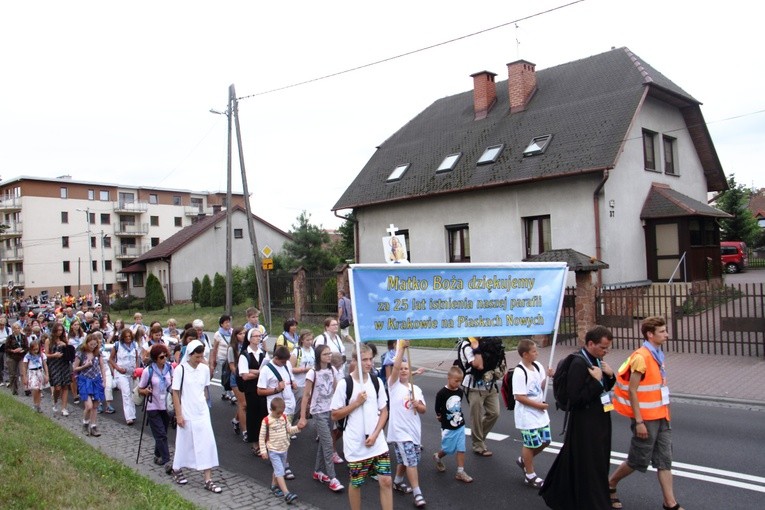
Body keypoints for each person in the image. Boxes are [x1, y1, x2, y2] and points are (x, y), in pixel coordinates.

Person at [609, 317, 684, 510]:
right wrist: (639, 421)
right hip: (646, 419)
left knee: (664, 460)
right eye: (662, 331)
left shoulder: (657, 353)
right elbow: (632, 390)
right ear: (650, 334)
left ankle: (670, 503)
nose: (666, 334)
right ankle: (610, 484)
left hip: (662, 416)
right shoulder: (641, 357)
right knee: (637, 460)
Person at [539, 326, 616, 510]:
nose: (606, 351)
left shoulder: (596, 360)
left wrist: (610, 376)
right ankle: (592, 502)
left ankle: (565, 495)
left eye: (607, 348)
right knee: (589, 461)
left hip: (599, 417)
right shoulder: (579, 364)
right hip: (585, 422)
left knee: (591, 459)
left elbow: (605, 387)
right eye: (603, 348)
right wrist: (597, 382)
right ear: (590, 343)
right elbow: (576, 398)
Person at [331, 344, 392, 510]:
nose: (369, 363)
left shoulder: (376, 381)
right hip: (356, 444)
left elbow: (384, 412)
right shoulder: (345, 384)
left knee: (386, 481)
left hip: (377, 441)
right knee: (356, 483)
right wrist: (356, 403)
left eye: (371, 359)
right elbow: (335, 415)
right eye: (364, 359)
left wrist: (376, 434)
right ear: (355, 360)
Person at [171, 339, 222, 493]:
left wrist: (205, 403)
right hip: (187, 410)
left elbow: (205, 389)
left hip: (201, 411)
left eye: (201, 357)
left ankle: (208, 479)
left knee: (207, 442)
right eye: (196, 357)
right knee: (184, 441)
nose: (199, 360)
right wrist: (179, 414)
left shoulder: (204, 369)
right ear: (190, 355)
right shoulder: (181, 369)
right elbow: (176, 392)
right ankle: (177, 468)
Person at [298, 343, 345, 492]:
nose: (329, 356)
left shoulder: (332, 370)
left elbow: (336, 389)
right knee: (327, 443)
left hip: (330, 410)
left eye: (330, 353)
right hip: (318, 412)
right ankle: (332, 478)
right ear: (319, 356)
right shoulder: (312, 372)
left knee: (324, 442)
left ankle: (318, 471)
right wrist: (302, 417)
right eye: (326, 354)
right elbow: (306, 395)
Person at [386, 340, 427, 507]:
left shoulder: (416, 389)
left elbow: (424, 409)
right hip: (400, 432)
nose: (403, 370)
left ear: (410, 372)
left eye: (406, 368)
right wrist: (401, 349)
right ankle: (417, 493)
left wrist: (418, 405)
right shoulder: (393, 386)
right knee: (411, 461)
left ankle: (397, 481)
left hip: (414, 431)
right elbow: (395, 368)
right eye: (401, 368)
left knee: (407, 459)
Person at [512, 339, 554, 488]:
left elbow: (540, 385)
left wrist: (549, 376)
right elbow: (519, 397)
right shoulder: (519, 372)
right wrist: (538, 405)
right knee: (531, 444)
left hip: (539, 412)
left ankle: (524, 460)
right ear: (525, 354)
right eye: (534, 351)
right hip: (527, 414)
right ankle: (530, 475)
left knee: (546, 441)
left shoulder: (537, 366)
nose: (537, 353)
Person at [456, 336, 503, 456]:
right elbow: (478, 365)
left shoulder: (488, 342)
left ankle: (479, 438)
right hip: (473, 387)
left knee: (494, 413)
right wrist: (476, 348)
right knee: (476, 416)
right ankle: (478, 445)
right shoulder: (466, 345)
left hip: (490, 384)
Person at [257, 346, 298, 480]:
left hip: (289, 405)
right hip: (275, 407)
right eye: (282, 361)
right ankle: (283, 464)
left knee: (285, 435)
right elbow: (260, 391)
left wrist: (293, 384)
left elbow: (290, 379)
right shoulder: (266, 370)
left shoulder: (286, 365)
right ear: (275, 358)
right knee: (279, 435)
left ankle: (280, 459)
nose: (285, 364)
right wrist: (275, 389)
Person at [138, 343, 174, 472]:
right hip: (153, 405)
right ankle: (167, 461)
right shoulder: (149, 371)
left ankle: (157, 455)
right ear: (155, 358)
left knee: (162, 432)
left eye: (165, 356)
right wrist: (145, 391)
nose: (164, 359)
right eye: (161, 357)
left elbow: (172, 385)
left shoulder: (169, 368)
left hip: (166, 406)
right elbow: (140, 389)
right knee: (161, 434)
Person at [259, 397, 302, 504]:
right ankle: (286, 493)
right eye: (278, 413)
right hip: (273, 450)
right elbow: (262, 437)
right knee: (280, 471)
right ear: (271, 410)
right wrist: (263, 450)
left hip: (284, 448)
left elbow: (289, 429)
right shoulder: (267, 421)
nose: (280, 415)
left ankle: (274, 486)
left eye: (282, 412)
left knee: (279, 468)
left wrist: (298, 428)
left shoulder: (284, 417)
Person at [434, 366, 473, 483]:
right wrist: (439, 416)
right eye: (456, 381)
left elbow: (458, 406)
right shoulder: (442, 393)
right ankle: (438, 456)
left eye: (460, 381)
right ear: (448, 378)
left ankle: (460, 472)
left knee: (461, 448)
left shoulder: (460, 392)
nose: (458, 383)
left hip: (460, 424)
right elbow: (437, 407)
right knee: (448, 449)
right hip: (448, 426)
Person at [238, 327, 270, 455]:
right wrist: (259, 372)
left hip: (262, 387)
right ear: (249, 339)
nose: (258, 338)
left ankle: (264, 442)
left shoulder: (263, 353)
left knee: (264, 415)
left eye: (259, 336)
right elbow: (244, 375)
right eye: (255, 336)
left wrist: (253, 371)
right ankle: (255, 443)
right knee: (253, 416)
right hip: (251, 389)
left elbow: (267, 370)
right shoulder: (245, 354)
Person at [73, 332, 106, 437]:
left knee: (95, 405)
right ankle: (85, 423)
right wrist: (85, 365)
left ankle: (93, 426)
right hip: (84, 380)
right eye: (91, 344)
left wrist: (104, 380)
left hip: (96, 380)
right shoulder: (80, 353)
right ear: (86, 343)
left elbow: (102, 367)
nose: (92, 347)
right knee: (89, 406)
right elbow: (75, 368)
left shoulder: (98, 353)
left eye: (94, 344)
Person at [109, 328, 140, 425]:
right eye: (126, 336)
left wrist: (137, 371)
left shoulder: (135, 345)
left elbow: (137, 359)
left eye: (130, 336)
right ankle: (129, 417)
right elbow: (111, 359)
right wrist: (117, 368)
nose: (128, 338)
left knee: (132, 393)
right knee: (126, 393)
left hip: (131, 373)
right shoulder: (117, 345)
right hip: (121, 372)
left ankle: (132, 414)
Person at [290, 330, 315, 430]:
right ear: (302, 340)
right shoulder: (297, 351)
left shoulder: (313, 350)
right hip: (299, 382)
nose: (310, 342)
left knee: (307, 404)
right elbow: (290, 368)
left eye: (311, 339)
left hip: (309, 382)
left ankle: (299, 422)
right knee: (298, 405)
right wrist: (305, 369)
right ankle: (289, 424)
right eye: (307, 340)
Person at [45, 322, 71, 414]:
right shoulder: (49, 340)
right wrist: (54, 355)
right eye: (58, 330)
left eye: (61, 330)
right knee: (57, 387)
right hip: (54, 364)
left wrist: (65, 345)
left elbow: (70, 352)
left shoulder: (64, 339)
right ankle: (55, 400)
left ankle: (64, 408)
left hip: (64, 364)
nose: (59, 332)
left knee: (65, 386)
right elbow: (46, 354)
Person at [228, 327, 248, 440]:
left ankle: (236, 420)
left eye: (244, 333)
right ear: (235, 336)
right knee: (243, 404)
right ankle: (245, 431)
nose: (243, 335)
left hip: (247, 378)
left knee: (246, 404)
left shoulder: (247, 347)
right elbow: (231, 365)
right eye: (240, 334)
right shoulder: (232, 348)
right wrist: (240, 373)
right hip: (237, 378)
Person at [211, 315, 234, 402]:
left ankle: (225, 392)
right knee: (225, 375)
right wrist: (213, 359)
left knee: (230, 374)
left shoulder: (232, 332)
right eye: (226, 322)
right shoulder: (218, 334)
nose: (228, 324)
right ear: (221, 324)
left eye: (229, 322)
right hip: (222, 357)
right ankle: (228, 392)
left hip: (231, 357)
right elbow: (215, 348)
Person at [21, 339, 48, 413]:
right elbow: (24, 367)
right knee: (35, 388)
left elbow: (45, 365)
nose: (36, 351)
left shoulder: (42, 355)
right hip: (32, 372)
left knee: (39, 389)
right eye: (34, 349)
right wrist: (24, 377)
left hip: (40, 371)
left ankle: (38, 405)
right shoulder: (27, 356)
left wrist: (46, 375)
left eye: (37, 349)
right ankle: (35, 403)